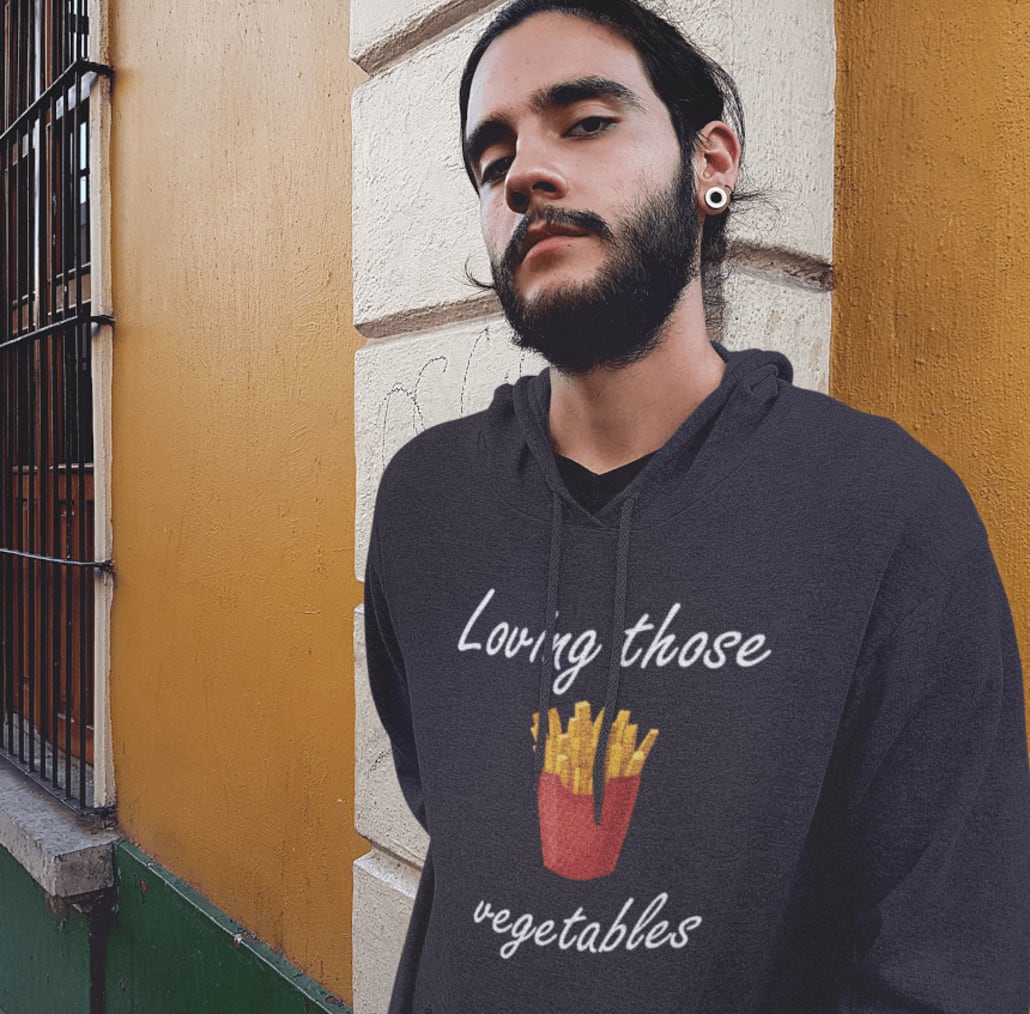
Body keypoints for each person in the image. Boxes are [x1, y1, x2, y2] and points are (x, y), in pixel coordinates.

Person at [363, 0, 1030, 1010]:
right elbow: (452, 805)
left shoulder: (884, 515)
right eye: (491, 160)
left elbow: (945, 952)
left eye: (584, 121)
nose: (525, 174)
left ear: (709, 159)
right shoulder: (427, 502)